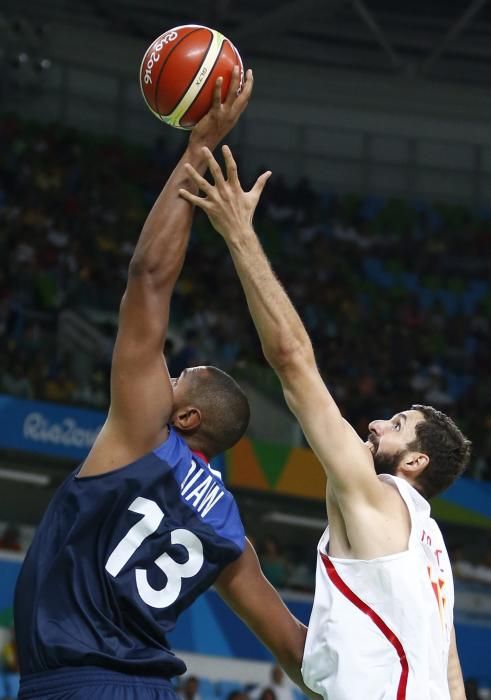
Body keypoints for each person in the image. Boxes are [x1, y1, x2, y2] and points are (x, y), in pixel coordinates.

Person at [14, 71, 312, 700]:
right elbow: (293, 648)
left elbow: (148, 277)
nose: (166, 374)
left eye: (179, 378)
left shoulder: (144, 435)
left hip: (76, 684)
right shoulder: (230, 532)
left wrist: (197, 148)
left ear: (188, 419)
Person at [179, 146, 472, 700]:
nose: (377, 422)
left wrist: (240, 234)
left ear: (414, 461)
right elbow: (450, 676)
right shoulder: (432, 550)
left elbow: (293, 363)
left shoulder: (377, 496)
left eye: (398, 423)